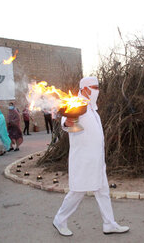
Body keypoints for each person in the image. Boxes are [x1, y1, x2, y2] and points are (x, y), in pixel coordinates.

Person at [53, 77, 129, 236]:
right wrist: (69, 122)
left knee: (103, 192)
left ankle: (109, 224)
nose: (97, 91)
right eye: (94, 87)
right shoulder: (76, 104)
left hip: (97, 160)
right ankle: (59, 220)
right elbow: (66, 124)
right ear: (85, 89)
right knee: (77, 192)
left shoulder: (92, 108)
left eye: (98, 87)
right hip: (83, 160)